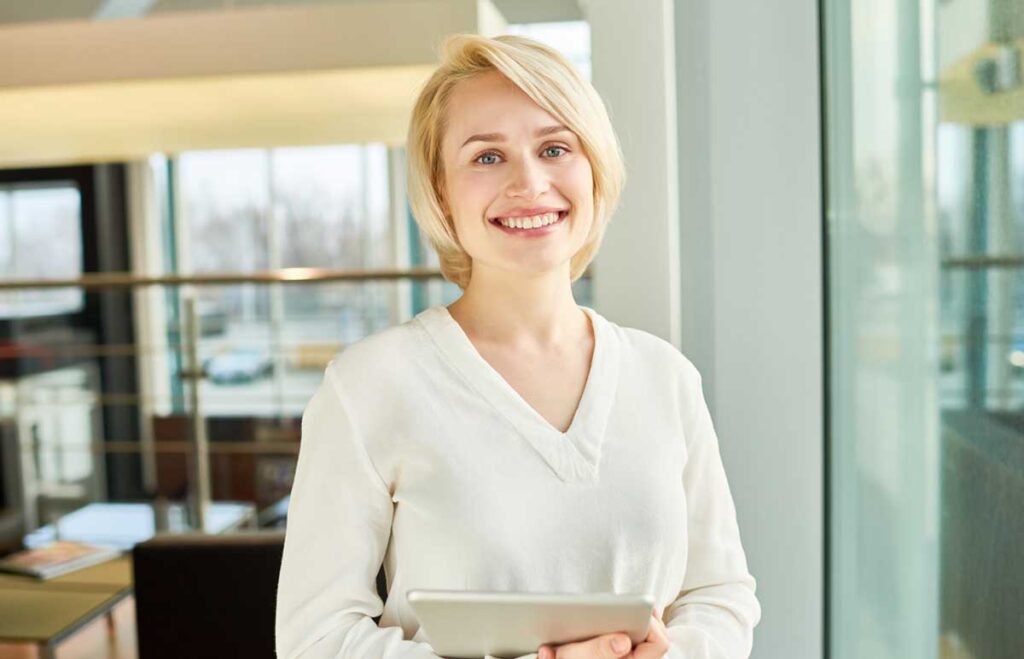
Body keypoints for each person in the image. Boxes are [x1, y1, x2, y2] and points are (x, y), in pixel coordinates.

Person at [275, 33, 761, 659]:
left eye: (555, 148)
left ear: (595, 169)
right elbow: (314, 639)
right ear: (441, 191)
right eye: (486, 157)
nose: (529, 182)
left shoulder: (664, 377)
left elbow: (721, 595)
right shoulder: (370, 384)